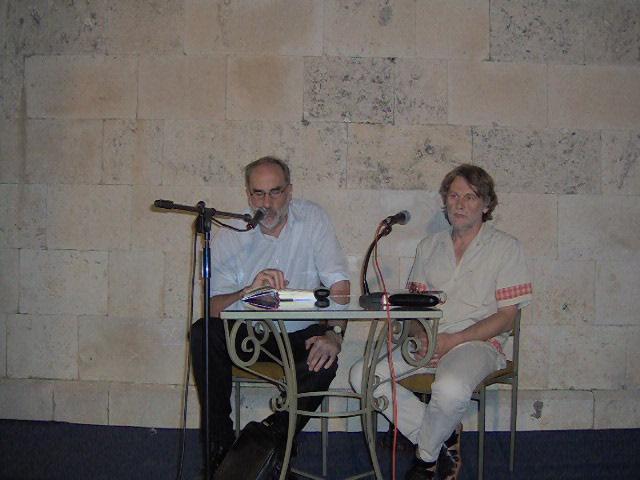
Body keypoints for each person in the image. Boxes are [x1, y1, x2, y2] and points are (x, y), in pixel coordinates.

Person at [349, 164, 532, 480]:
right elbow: (413, 307)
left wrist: (454, 340)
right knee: (361, 376)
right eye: (453, 196)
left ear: (486, 205)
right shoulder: (429, 246)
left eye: (470, 197)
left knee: (449, 389)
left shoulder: (506, 247)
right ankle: (443, 435)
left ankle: (425, 461)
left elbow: (506, 317)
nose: (459, 204)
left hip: (478, 343)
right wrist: (420, 335)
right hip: (430, 341)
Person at [190, 156, 350, 477]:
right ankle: (221, 450)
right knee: (203, 332)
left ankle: (262, 443)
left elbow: (340, 287)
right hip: (250, 334)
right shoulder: (232, 231)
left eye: (275, 192)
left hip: (300, 332)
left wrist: (334, 334)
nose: (267, 203)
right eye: (258, 194)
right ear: (248, 195)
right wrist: (246, 292)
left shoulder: (312, 219)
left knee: (325, 359)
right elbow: (212, 307)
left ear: (289, 191)